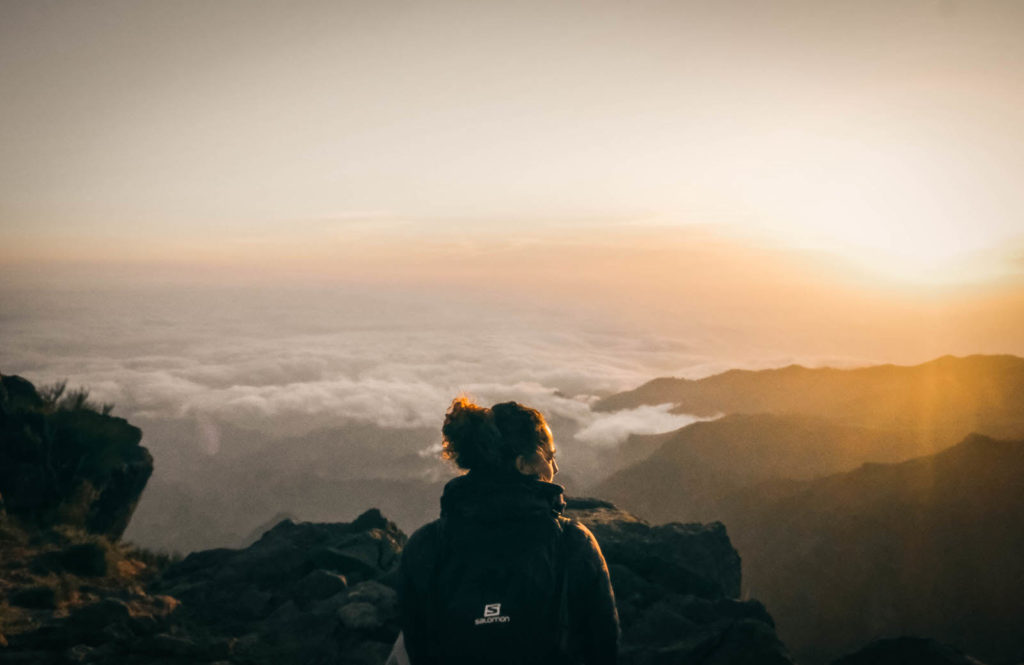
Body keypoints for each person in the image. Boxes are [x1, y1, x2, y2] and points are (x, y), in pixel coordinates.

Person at [397, 397, 619, 665]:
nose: (555, 468)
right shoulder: (572, 543)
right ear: (523, 464)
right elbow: (603, 647)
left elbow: (418, 646)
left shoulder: (425, 546)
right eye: (549, 457)